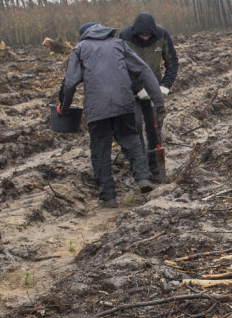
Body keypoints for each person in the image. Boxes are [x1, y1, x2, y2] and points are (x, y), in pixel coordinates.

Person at [58, 22, 164, 207]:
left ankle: (108, 197)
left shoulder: (80, 49)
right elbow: (144, 70)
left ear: (84, 35)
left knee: (100, 149)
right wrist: (159, 100)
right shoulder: (118, 44)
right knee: (131, 139)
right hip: (124, 102)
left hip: (97, 107)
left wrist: (64, 108)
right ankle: (143, 179)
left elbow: (69, 83)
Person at [118, 12, 179, 182]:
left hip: (154, 90)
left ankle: (155, 170)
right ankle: (141, 171)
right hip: (131, 92)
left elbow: (172, 62)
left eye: (148, 35)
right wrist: (137, 88)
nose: (145, 37)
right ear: (135, 31)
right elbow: (121, 66)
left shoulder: (161, 34)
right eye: (141, 35)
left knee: (155, 129)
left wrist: (165, 85)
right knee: (135, 126)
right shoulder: (124, 37)